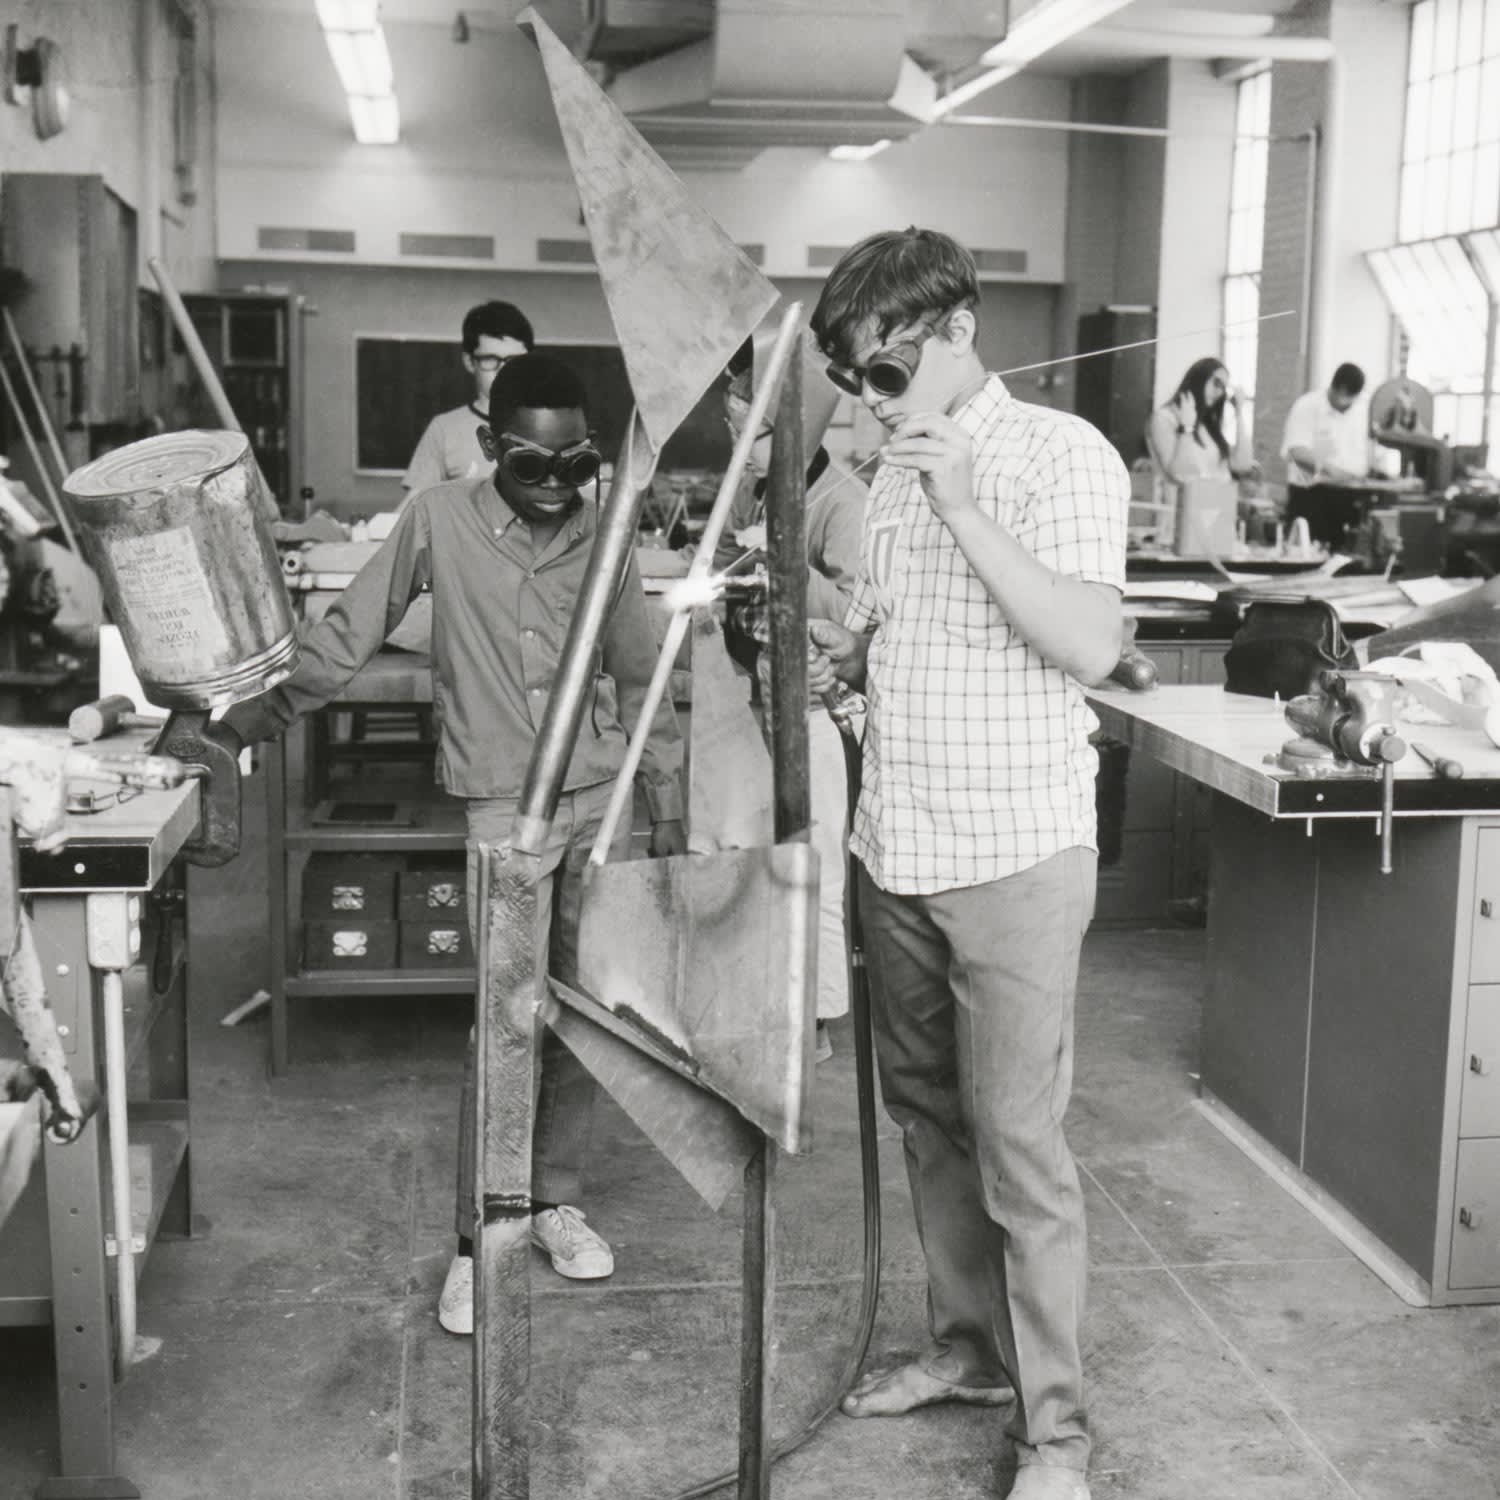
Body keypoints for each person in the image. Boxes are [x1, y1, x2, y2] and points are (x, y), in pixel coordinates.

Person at [224, 354, 686, 1335]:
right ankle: (485, 1235)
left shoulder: (606, 531)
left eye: (575, 466)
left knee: (585, 1017)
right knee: (507, 1022)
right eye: (532, 464)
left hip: (598, 800)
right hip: (500, 807)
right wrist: (243, 721)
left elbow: (641, 675)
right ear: (489, 446)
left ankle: (555, 1199)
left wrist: (667, 800)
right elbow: (347, 636)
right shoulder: (436, 518)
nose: (556, 485)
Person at [803, 228, 1127, 1500]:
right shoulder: (884, 480)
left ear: (957, 330)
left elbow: (1090, 643)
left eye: (886, 374)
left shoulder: (1058, 454)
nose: (870, 406)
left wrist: (962, 500)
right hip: (901, 848)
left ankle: (1056, 1437)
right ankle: (970, 1349)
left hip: (1016, 854)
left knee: (1020, 1143)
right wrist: (846, 660)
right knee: (929, 1123)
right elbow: (904, 638)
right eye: (855, 383)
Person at [717, 332, 869, 1058]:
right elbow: (719, 581)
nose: (741, 450)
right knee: (762, 861)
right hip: (757, 710)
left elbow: (856, 613)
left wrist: (785, 560)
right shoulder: (749, 494)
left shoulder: (843, 501)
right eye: (733, 431)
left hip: (816, 715)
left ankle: (813, 1019)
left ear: (794, 434)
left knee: (816, 869)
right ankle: (767, 998)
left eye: (754, 434)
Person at [402, 300, 535, 493]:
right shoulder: (443, 429)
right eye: (491, 359)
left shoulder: (555, 423)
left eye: (515, 361)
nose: (504, 371)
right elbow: (415, 507)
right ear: (469, 361)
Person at [1280, 361, 1374, 548]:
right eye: (1341, 395)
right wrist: (1331, 471)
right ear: (1335, 387)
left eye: (1351, 397)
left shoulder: (1364, 410)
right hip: (1312, 498)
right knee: (1308, 559)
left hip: (1351, 498)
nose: (1344, 401)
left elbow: (1374, 450)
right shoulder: (1307, 405)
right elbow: (1296, 451)